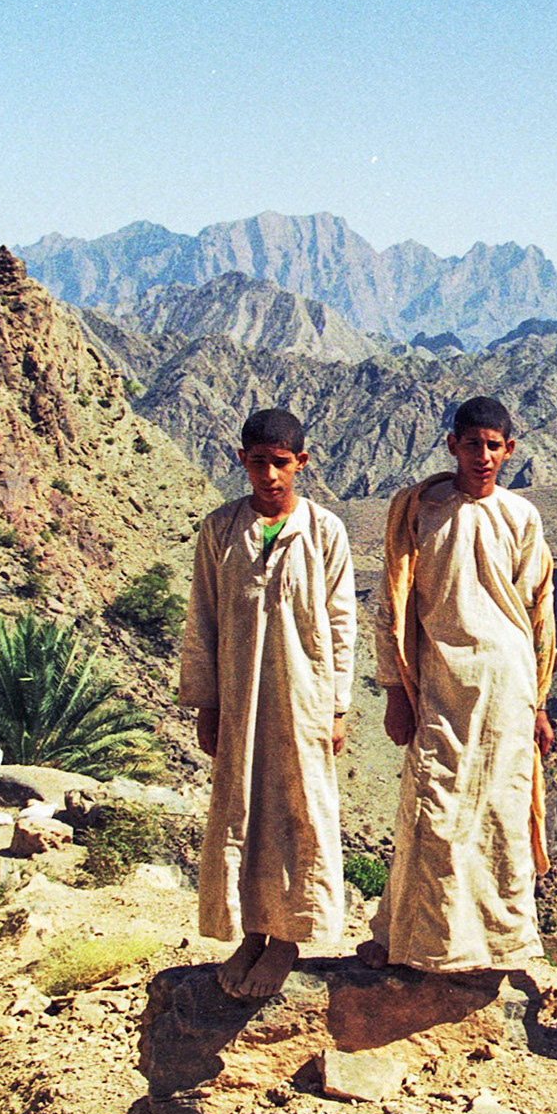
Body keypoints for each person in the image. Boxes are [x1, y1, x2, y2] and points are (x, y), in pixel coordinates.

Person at [361, 395, 557, 973]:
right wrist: (397, 689)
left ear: (510, 450)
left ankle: (498, 947)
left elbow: (539, 613)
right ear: (452, 445)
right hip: (441, 684)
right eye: (471, 443)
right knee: (431, 809)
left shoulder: (522, 518)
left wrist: (539, 703)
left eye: (494, 445)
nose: (482, 456)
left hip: (507, 688)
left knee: (498, 814)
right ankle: (411, 937)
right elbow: (392, 602)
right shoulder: (419, 509)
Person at [179, 408, 356, 999]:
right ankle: (253, 930)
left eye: (282, 463)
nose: (271, 475)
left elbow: (340, 622)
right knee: (243, 809)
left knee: (298, 809)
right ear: (242, 462)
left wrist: (337, 706)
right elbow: (201, 617)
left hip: (302, 697)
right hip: (240, 696)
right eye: (259, 462)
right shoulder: (221, 530)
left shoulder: (325, 531)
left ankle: (288, 939)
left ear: (301, 463)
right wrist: (207, 701)